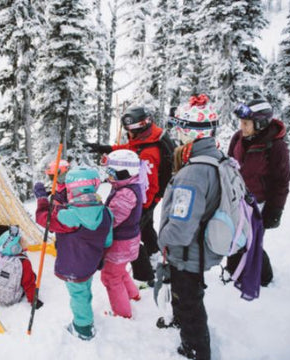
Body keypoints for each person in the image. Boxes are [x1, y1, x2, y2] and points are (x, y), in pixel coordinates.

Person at [157, 94, 221, 360]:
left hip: (186, 252)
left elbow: (181, 227)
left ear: (189, 132)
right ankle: (181, 322)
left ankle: (195, 349)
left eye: (179, 128)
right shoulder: (211, 156)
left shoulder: (193, 173)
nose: (177, 134)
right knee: (186, 294)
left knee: (189, 301)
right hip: (194, 248)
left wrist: (163, 240)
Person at [87, 105, 165, 286]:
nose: (128, 135)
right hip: (142, 199)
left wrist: (142, 207)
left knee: (131, 236)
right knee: (145, 232)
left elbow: (151, 185)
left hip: (143, 200)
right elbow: (131, 148)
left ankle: (145, 276)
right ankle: (156, 259)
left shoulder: (149, 153)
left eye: (130, 131)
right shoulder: (146, 139)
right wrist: (107, 148)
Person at [34, 167, 113, 340]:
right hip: (90, 262)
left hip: (73, 266)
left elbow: (43, 219)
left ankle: (83, 327)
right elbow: (107, 240)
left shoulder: (69, 216)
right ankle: (86, 314)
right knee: (84, 290)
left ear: (71, 189)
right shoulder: (106, 212)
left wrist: (41, 199)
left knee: (78, 295)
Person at [228, 99, 290, 286]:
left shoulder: (276, 146)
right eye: (241, 122)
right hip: (238, 199)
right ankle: (234, 271)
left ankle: (264, 278)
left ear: (260, 124)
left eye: (246, 123)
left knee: (252, 241)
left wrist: (275, 209)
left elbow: (282, 180)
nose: (242, 127)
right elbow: (230, 165)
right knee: (236, 236)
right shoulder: (238, 138)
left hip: (259, 203)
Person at [100, 149, 146, 318]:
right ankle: (133, 295)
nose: (109, 177)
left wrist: (96, 218)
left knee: (110, 277)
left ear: (125, 173)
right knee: (120, 272)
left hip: (121, 243)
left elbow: (111, 220)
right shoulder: (126, 185)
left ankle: (122, 314)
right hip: (128, 242)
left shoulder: (125, 194)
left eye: (112, 173)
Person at [0, 226, 42, 309]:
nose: (24, 240)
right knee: (32, 276)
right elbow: (29, 284)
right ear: (15, 248)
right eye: (21, 241)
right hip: (11, 298)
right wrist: (34, 300)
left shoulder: (0, 260)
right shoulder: (24, 263)